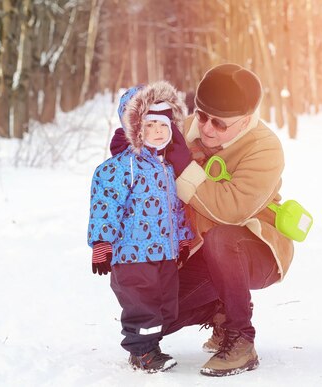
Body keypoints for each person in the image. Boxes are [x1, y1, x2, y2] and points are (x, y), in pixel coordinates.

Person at [110, 64, 295, 377]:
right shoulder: (188, 126)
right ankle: (220, 310)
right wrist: (132, 145)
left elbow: (231, 210)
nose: (206, 128)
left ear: (246, 119)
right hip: (199, 248)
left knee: (224, 236)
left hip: (255, 247)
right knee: (152, 314)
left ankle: (241, 339)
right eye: (202, 115)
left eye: (220, 124)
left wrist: (183, 167)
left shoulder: (265, 148)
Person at [87, 81, 194, 373]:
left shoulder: (167, 168)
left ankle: (151, 347)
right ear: (135, 129)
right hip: (132, 256)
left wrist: (183, 240)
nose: (159, 131)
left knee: (165, 305)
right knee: (142, 307)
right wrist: (102, 243)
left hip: (164, 253)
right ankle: (142, 352)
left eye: (164, 125)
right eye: (150, 126)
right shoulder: (121, 167)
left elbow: (176, 210)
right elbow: (105, 205)